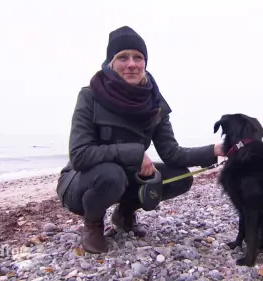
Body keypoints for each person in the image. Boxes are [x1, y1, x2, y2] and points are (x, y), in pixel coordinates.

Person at [56, 26, 225, 254]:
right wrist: (135, 153)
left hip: (125, 177)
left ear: (145, 63)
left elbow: (172, 153)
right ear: (110, 63)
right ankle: (93, 224)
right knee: (111, 175)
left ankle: (124, 212)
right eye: (123, 57)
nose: (132, 64)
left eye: (138, 57)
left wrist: (215, 149)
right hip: (80, 182)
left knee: (179, 177)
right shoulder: (89, 96)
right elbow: (79, 155)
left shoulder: (154, 103)